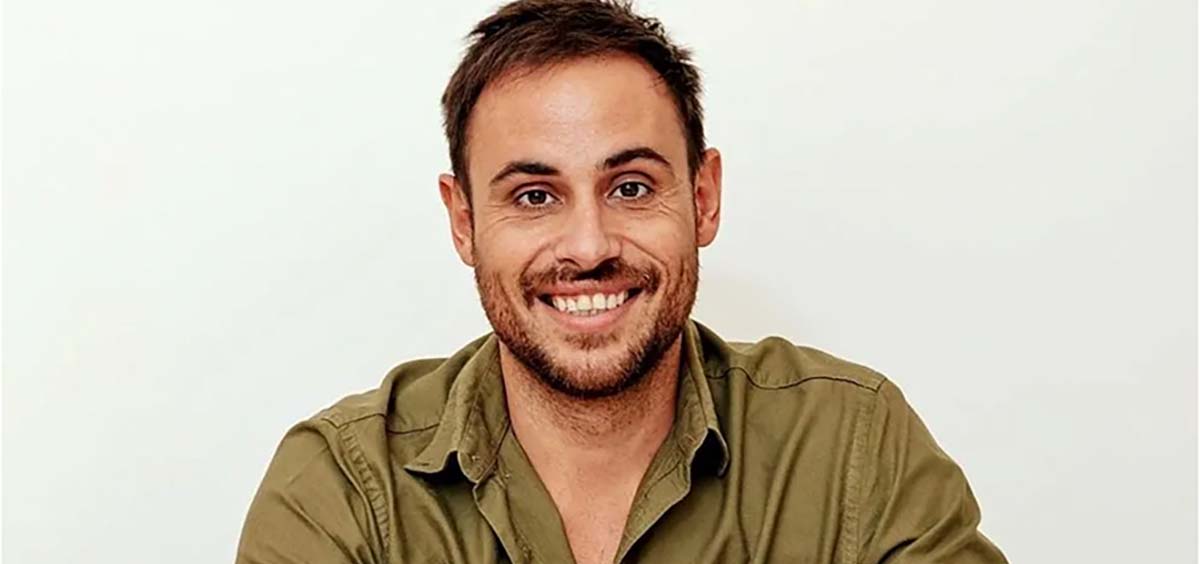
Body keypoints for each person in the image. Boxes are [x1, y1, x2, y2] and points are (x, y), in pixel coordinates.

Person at [236, 1, 1007, 562]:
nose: (589, 246)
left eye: (631, 187)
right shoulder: (343, 490)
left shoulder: (852, 448)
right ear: (463, 222)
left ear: (703, 197)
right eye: (533, 196)